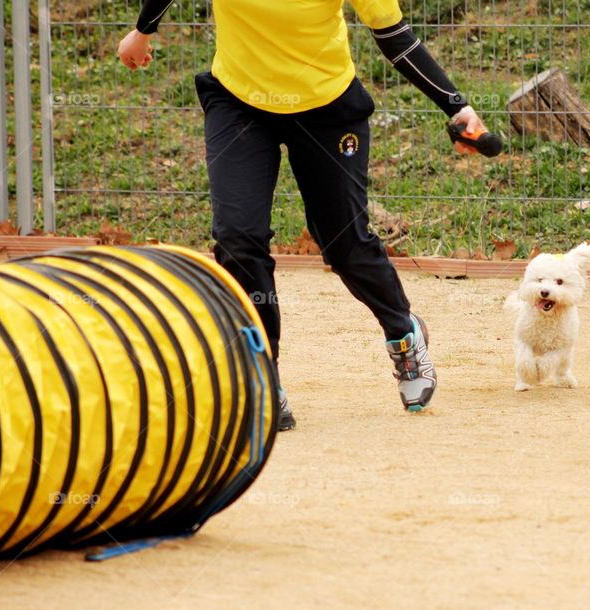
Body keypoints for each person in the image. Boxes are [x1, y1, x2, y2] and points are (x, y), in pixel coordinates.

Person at [119, 0, 491, 428]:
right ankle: (261, 373)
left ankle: (402, 331)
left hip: (326, 107)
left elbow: (394, 37)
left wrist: (456, 107)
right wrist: (143, 30)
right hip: (240, 101)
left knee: (344, 242)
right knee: (238, 237)